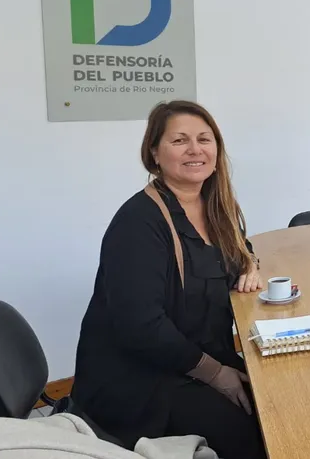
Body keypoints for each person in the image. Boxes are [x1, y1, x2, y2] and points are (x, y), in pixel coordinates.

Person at [72, 100, 267, 459]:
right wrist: (216, 374)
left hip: (199, 357)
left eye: (204, 139)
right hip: (140, 380)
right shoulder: (138, 223)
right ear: (154, 154)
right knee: (249, 431)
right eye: (180, 141)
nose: (195, 149)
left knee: (275, 396)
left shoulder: (215, 205)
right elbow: (141, 326)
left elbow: (242, 248)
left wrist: (251, 265)